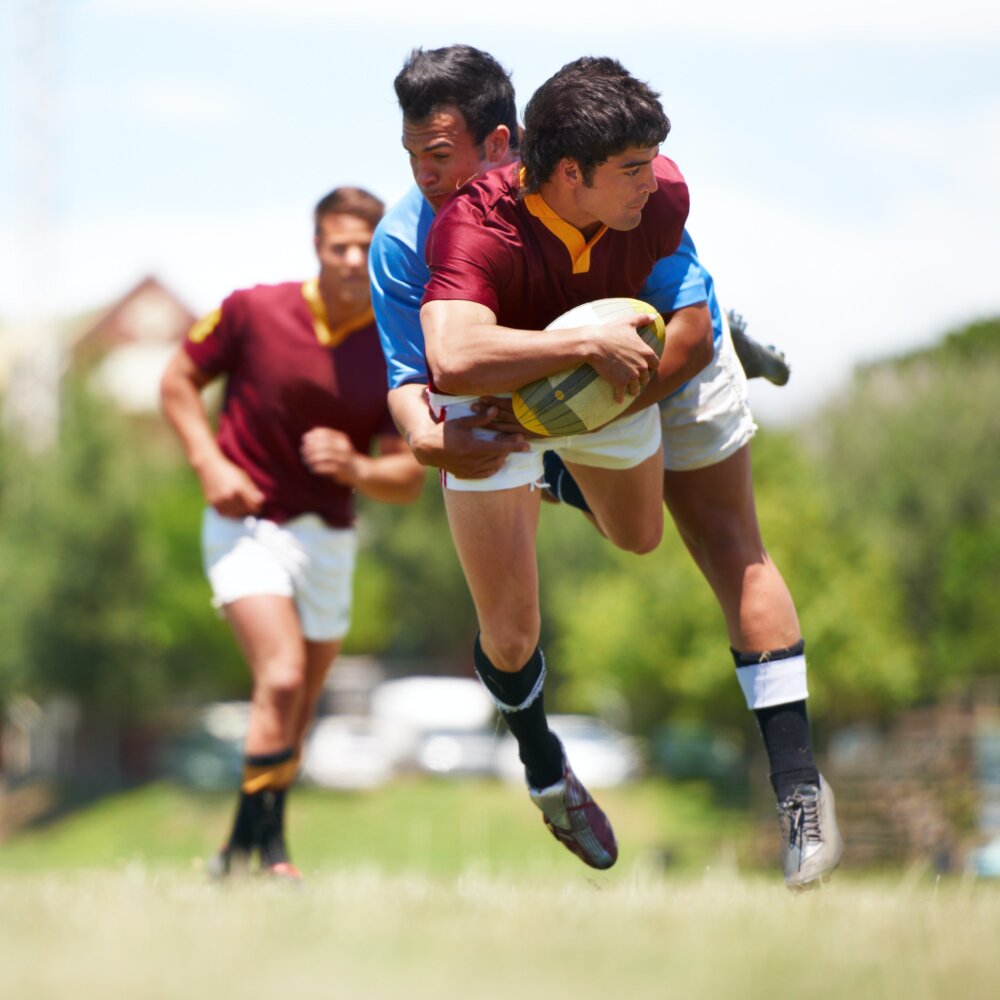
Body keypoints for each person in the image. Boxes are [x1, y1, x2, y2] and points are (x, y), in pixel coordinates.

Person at [370, 46, 840, 888]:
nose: (423, 178)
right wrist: (429, 438)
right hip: (502, 389)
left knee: (664, 536)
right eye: (413, 158)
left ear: (505, 144)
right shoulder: (421, 238)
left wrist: (606, 391)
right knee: (509, 629)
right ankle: (546, 772)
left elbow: (679, 344)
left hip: (645, 363)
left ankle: (802, 792)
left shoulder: (635, 185)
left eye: (440, 157)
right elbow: (424, 372)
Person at [160, 186, 425, 881]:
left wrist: (357, 466)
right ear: (316, 246)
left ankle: (234, 854)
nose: (350, 258)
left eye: (365, 247)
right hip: (244, 527)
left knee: (299, 706)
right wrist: (208, 462)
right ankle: (273, 856)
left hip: (331, 541)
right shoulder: (251, 309)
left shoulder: (397, 343)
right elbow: (177, 381)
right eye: (338, 244)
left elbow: (409, 476)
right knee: (277, 680)